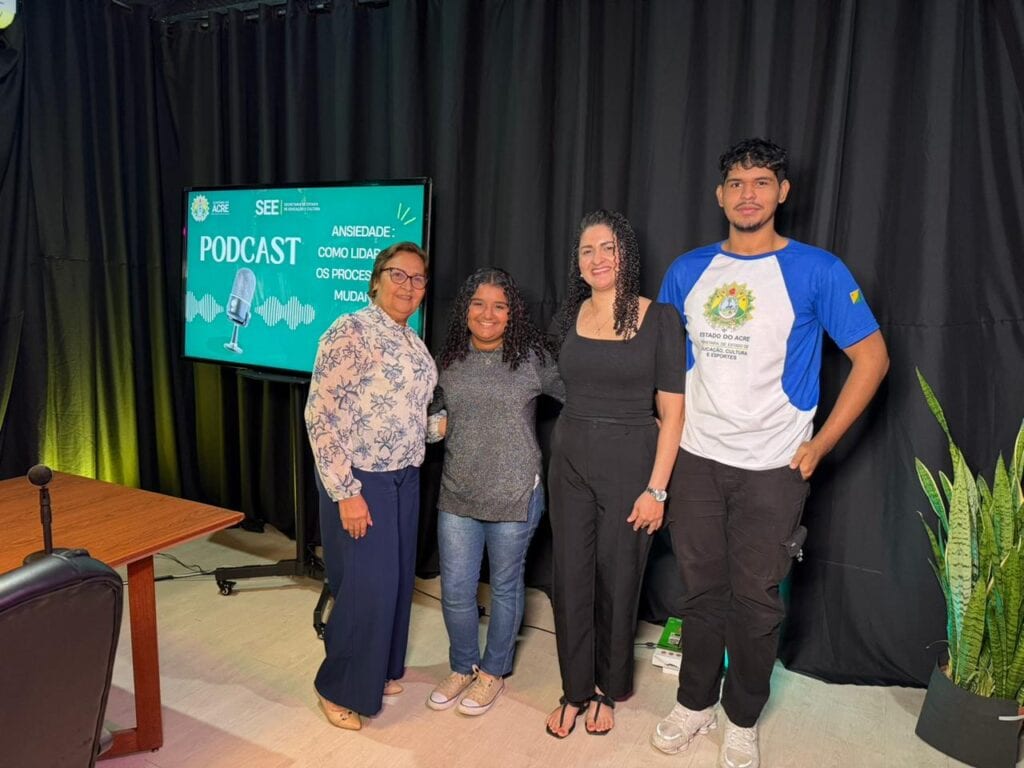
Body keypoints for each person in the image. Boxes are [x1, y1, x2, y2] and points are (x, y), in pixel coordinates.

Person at [651, 138, 889, 767]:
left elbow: (872, 358)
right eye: (736, 182)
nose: (747, 193)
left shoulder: (819, 269)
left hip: (774, 468)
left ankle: (742, 717)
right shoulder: (686, 269)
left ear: (783, 192)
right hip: (698, 459)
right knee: (700, 590)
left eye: (761, 182)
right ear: (720, 194)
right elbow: (664, 364)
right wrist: (666, 435)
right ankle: (694, 702)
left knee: (756, 600)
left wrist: (821, 444)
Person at [545, 210, 685, 738]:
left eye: (608, 248)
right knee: (571, 577)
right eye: (587, 250)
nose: (597, 259)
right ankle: (573, 688)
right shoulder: (570, 315)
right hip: (570, 461)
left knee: (619, 579)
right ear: (577, 262)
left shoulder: (660, 319)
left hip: (632, 466)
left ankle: (607, 688)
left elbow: (673, 413)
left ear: (625, 254)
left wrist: (657, 489)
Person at [304, 242, 437, 731]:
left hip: (405, 476)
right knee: (365, 587)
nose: (409, 286)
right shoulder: (351, 330)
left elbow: (401, 410)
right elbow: (320, 414)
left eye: (418, 279)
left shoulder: (410, 338)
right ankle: (337, 687)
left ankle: (376, 670)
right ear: (377, 279)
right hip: (363, 481)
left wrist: (434, 428)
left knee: (397, 582)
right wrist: (346, 491)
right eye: (399, 275)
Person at [425, 267, 563, 716]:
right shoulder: (446, 359)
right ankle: (463, 665)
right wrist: (432, 430)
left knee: (505, 588)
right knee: (457, 591)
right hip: (459, 493)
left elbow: (582, 398)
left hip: (515, 493)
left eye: (499, 306)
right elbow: (428, 421)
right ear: (465, 309)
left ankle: (493, 672)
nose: (488, 314)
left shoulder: (532, 359)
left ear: (512, 313)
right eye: (479, 304)